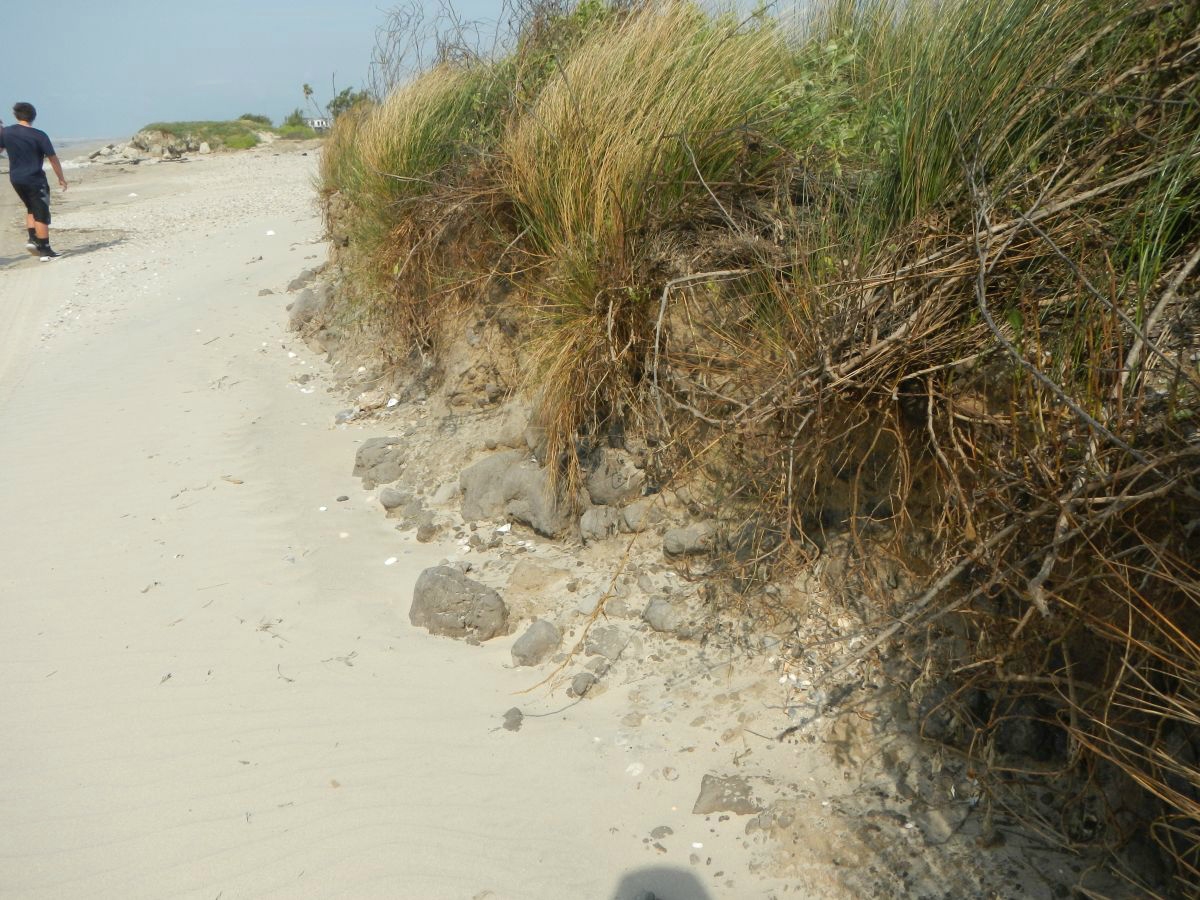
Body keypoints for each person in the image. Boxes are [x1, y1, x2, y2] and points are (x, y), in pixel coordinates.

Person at [0, 102, 67, 259]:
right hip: (34, 179)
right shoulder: (39, 135)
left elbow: (1, 149)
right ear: (34, 116)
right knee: (41, 213)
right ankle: (45, 250)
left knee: (30, 206)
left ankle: (33, 239)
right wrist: (61, 178)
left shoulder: (7, 132)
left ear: (16, 115)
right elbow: (53, 158)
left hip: (16, 178)